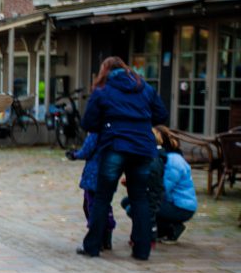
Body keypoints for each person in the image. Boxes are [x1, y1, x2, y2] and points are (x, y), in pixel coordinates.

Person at [78, 57, 167, 260]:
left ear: (105, 71)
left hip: (115, 146)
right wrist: (140, 123)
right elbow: (161, 114)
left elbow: (88, 122)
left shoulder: (103, 90)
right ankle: (142, 250)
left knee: (102, 197)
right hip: (143, 147)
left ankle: (92, 246)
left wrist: (109, 124)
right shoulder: (144, 88)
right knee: (140, 198)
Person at [67, 132, 116, 250]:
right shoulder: (114, 132)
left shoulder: (95, 133)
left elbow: (86, 151)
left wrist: (74, 154)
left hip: (94, 176)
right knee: (105, 205)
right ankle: (107, 238)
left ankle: (95, 239)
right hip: (110, 172)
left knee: (91, 205)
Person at [153, 125, 197, 243]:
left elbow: (163, 188)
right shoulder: (166, 157)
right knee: (130, 202)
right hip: (174, 203)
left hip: (181, 207)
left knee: (142, 205)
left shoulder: (173, 160)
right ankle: (164, 228)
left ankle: (170, 229)